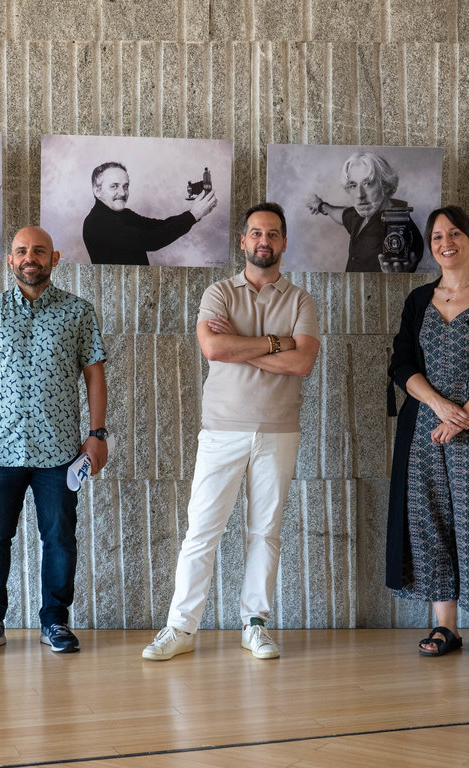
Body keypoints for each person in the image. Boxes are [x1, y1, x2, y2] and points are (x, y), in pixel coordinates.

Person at [142, 202, 320, 661]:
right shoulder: (218, 293)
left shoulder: (300, 300)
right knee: (202, 529)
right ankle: (180, 628)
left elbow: (302, 362)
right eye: (256, 233)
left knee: (266, 531)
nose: (265, 241)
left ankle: (255, 624)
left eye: (274, 234)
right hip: (222, 429)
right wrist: (273, 343)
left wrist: (243, 347)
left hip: (279, 430)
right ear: (242, 241)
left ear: (284, 242)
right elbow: (214, 347)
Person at [0, 226, 108, 655]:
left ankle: (55, 623)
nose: (30, 258)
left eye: (39, 251)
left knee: (60, 539)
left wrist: (97, 435)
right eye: (22, 251)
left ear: (54, 258)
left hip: (60, 452)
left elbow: (95, 373)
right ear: (10, 259)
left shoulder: (78, 313)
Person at [386, 205, 469, 657]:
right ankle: (445, 626)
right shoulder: (418, 301)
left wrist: (464, 414)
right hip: (423, 428)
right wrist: (441, 407)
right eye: (438, 236)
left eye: (455, 233)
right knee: (429, 521)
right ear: (431, 244)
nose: (447, 242)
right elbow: (401, 364)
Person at [306, 151, 432, 273]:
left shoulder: (402, 229)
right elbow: (343, 215)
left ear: (385, 185)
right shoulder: (361, 214)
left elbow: (402, 268)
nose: (360, 195)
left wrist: (396, 276)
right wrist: (321, 206)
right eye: (353, 185)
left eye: (367, 184)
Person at [82, 161, 218, 265]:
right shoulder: (96, 222)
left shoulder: (123, 213)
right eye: (114, 186)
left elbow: (158, 226)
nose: (123, 193)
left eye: (126, 186)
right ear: (97, 191)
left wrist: (196, 213)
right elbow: (151, 240)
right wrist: (193, 215)